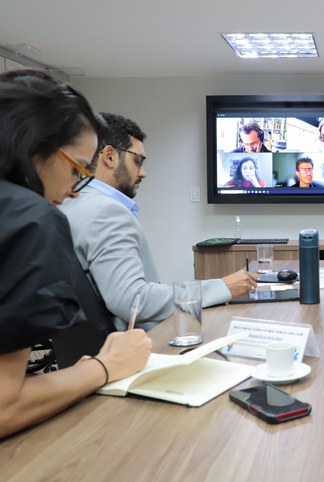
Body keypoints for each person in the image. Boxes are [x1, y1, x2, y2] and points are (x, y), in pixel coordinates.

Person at [0, 69, 152, 439]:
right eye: (77, 169)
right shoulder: (30, 219)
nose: (73, 190)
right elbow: (5, 406)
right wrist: (104, 367)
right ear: (37, 149)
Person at [61, 113, 259, 330]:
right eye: (138, 161)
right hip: (142, 348)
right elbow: (133, 300)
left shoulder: (70, 204)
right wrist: (222, 287)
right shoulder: (105, 213)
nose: (143, 173)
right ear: (109, 157)